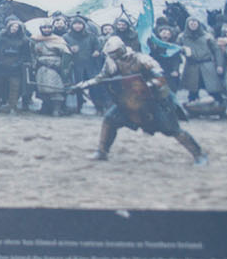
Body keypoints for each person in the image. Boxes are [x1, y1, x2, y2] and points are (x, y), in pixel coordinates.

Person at [78, 36, 207, 165]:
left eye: (115, 53)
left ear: (122, 49)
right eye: (111, 54)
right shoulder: (111, 62)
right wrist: (85, 84)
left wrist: (146, 85)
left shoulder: (141, 59)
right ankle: (102, 152)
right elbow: (102, 77)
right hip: (132, 99)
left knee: (171, 129)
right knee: (110, 119)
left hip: (156, 99)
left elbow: (160, 77)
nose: (113, 56)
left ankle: (199, 154)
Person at [0, 16, 32, 114]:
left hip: (15, 68)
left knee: (15, 87)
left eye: (17, 27)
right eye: (12, 27)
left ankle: (12, 106)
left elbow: (25, 55)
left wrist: (18, 64)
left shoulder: (24, 40)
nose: (14, 29)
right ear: (8, 27)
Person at [178, 17, 226, 109]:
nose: (193, 24)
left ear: (198, 24)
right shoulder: (182, 37)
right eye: (191, 23)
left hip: (207, 65)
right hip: (191, 65)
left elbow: (216, 50)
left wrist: (219, 65)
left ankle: (221, 108)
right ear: (187, 24)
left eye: (195, 22)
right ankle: (193, 109)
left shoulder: (207, 36)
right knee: (193, 90)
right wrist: (183, 50)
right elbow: (176, 49)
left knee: (213, 89)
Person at [31, 22, 71, 115]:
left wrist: (62, 66)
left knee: (55, 88)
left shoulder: (58, 40)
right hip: (41, 66)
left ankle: (56, 109)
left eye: (48, 28)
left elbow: (66, 54)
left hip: (54, 65)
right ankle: (45, 108)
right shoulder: (36, 39)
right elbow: (32, 52)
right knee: (42, 89)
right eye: (44, 28)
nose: (46, 30)